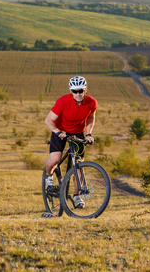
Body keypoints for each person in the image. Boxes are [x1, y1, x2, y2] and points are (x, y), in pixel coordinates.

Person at [44, 76, 96, 208]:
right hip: (60, 131)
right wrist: (57, 131)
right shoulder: (63, 101)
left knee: (78, 166)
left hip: (78, 132)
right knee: (55, 159)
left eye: (81, 91)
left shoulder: (91, 102)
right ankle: (48, 176)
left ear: (85, 90)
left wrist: (89, 133)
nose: (78, 94)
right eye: (75, 91)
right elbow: (48, 120)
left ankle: (77, 196)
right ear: (70, 91)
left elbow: (90, 117)